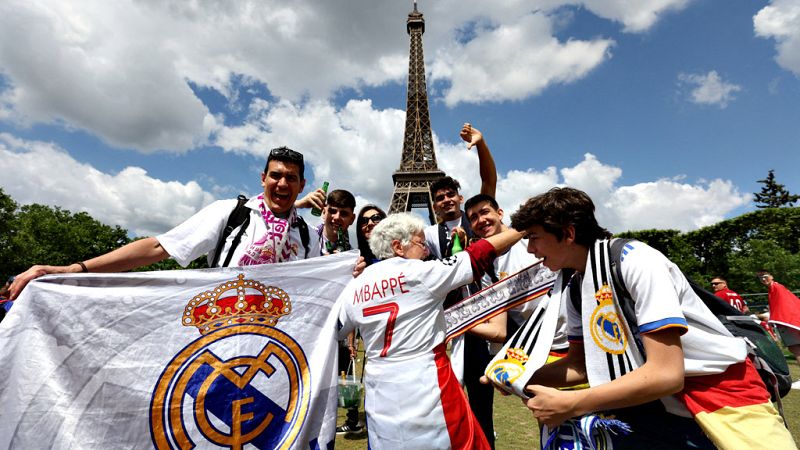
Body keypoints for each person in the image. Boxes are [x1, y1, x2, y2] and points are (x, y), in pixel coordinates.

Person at [505, 187, 793, 449]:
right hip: (644, 407)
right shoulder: (576, 287)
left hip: (718, 396)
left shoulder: (635, 260)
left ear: (568, 234)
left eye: (533, 238)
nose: (530, 250)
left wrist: (572, 403)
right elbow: (580, 366)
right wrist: (516, 379)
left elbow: (667, 375)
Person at [9, 147, 361, 300]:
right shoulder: (231, 213)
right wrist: (75, 269)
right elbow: (158, 247)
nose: (282, 184)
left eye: (291, 178)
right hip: (220, 334)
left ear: (302, 185)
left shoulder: (305, 235)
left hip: (280, 341)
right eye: (276, 176)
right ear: (263, 178)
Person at [335, 212, 525, 450]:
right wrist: (522, 228)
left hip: (380, 393)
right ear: (398, 246)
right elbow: (478, 254)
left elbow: (336, 330)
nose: (425, 251)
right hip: (427, 387)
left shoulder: (356, 285)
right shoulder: (420, 273)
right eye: (420, 243)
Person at [422, 123, 500, 447]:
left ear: (459, 197)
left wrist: (481, 145)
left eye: (449, 194)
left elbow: (489, 181)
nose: (445, 200)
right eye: (439, 198)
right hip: (451, 324)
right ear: (435, 205)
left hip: (482, 318)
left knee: (482, 406)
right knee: (447, 407)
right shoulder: (428, 235)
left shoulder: (477, 219)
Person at [758, 270, 800, 389]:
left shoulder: (776, 287)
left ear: (771, 276)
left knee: (795, 348)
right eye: (760, 278)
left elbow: (784, 306)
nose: (763, 279)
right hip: (791, 321)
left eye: (765, 276)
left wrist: (776, 319)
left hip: (789, 322)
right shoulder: (775, 288)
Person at [315, 189, 356, 255]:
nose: (337, 217)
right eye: (332, 211)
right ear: (324, 212)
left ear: (352, 219)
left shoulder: (352, 257)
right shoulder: (304, 237)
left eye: (344, 214)